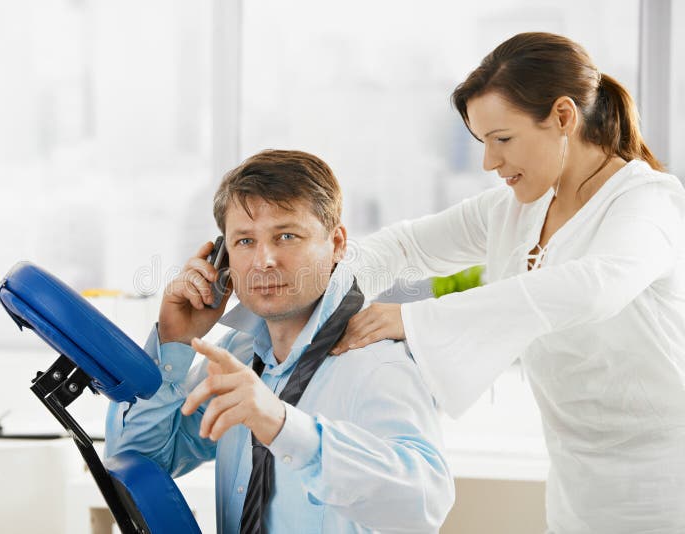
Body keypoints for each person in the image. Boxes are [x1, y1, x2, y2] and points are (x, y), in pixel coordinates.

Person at [331, 32, 685, 533]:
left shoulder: (647, 203)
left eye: (503, 139)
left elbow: (593, 288)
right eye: (482, 143)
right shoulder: (517, 210)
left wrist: (415, 319)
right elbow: (406, 247)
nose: (489, 162)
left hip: (667, 490)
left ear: (563, 116)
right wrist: (294, 281)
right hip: (575, 489)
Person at [105, 150, 454, 533]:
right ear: (223, 258)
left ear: (337, 243)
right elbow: (138, 462)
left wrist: (285, 427)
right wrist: (175, 342)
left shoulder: (376, 363)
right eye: (244, 241)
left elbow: (424, 505)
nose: (264, 260)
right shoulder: (237, 356)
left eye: (286, 236)